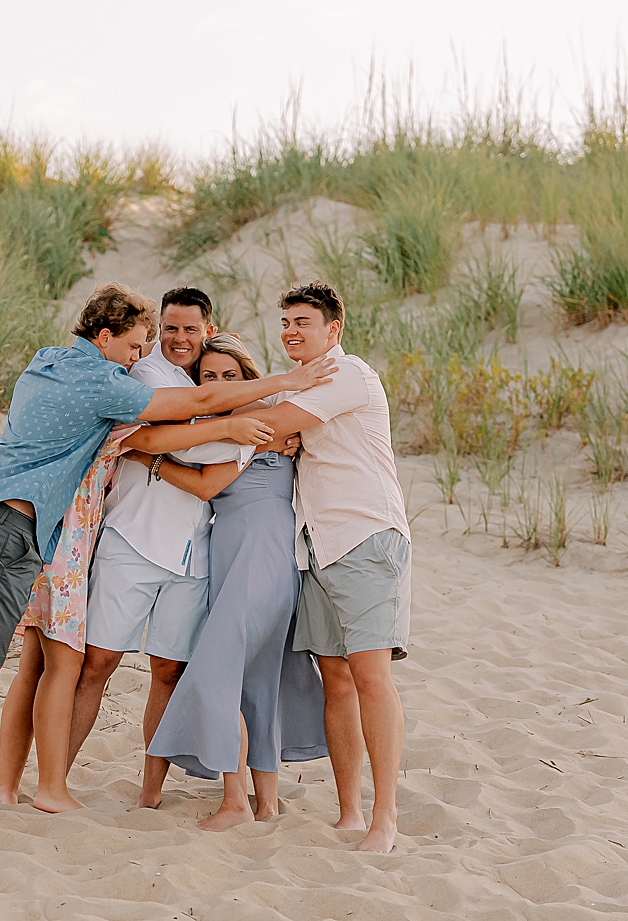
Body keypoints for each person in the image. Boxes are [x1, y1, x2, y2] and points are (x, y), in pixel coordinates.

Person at [0, 283, 334, 825]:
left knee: (32, 662)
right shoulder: (108, 382)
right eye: (137, 345)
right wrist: (262, 418)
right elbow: (180, 424)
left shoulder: (51, 362)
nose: (141, 357)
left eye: (151, 345)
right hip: (17, 525)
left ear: (209, 329)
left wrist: (254, 430)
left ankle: (7, 787)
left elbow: (193, 416)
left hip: (41, 531)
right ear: (105, 337)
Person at [0, 287, 258, 812]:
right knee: (96, 663)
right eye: (171, 328)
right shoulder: (145, 374)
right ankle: (52, 782)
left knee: (168, 671)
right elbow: (158, 440)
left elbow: (198, 452)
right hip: (131, 540)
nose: (180, 339)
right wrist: (247, 435)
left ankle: (149, 795)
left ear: (209, 329)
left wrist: (240, 429)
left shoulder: (217, 376)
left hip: (192, 554)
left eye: (190, 329)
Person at [234, 281, 412, 851]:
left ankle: (385, 818)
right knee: (335, 678)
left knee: (369, 676)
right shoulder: (308, 383)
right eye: (285, 322)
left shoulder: (347, 375)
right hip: (318, 546)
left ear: (333, 329)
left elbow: (271, 424)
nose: (290, 331)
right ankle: (350, 813)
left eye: (303, 322)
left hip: (364, 537)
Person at [146, 334, 330, 830]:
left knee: (216, 669)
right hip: (234, 551)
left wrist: (148, 461)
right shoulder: (214, 426)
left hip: (260, 550)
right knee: (258, 679)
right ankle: (264, 803)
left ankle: (233, 802)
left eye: (231, 376)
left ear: (248, 377)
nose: (221, 384)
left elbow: (204, 482)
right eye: (209, 377)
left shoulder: (263, 420)